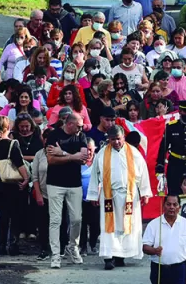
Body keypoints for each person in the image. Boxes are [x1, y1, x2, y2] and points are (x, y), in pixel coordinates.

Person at [88, 124, 152, 270]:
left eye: (118, 139)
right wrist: (93, 194)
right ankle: (108, 257)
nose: (116, 142)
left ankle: (120, 255)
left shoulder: (134, 153)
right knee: (109, 226)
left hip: (130, 194)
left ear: (123, 137)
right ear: (108, 139)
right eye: (112, 139)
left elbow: (143, 173)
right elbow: (95, 175)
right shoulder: (102, 154)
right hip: (109, 195)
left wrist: (145, 193)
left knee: (126, 225)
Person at [44, 110, 93, 268]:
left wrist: (63, 153)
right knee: (55, 220)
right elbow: (51, 159)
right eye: (78, 126)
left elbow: (83, 159)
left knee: (77, 219)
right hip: (55, 183)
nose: (81, 129)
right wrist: (72, 156)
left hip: (74, 183)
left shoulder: (81, 136)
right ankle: (55, 254)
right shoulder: (54, 135)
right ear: (70, 124)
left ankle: (72, 246)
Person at [0, 115, 28, 256]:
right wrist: (26, 178)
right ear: (8, 127)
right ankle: (13, 245)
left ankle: (1, 246)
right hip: (11, 185)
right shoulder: (12, 144)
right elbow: (19, 163)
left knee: (3, 215)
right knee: (15, 215)